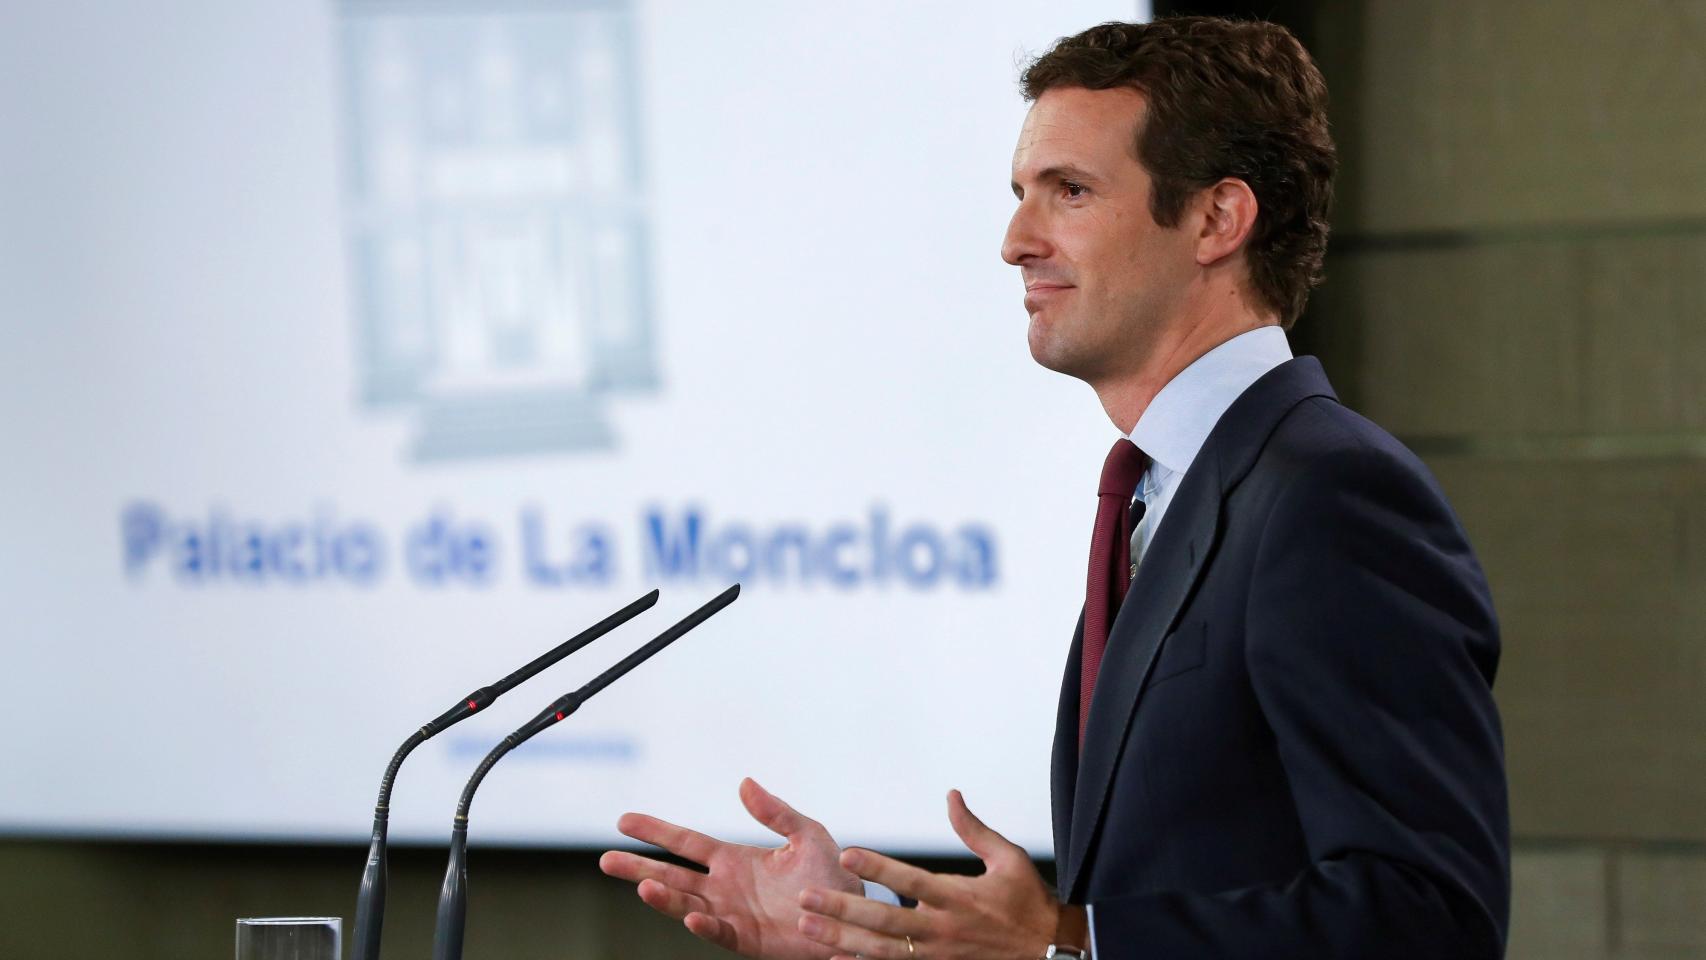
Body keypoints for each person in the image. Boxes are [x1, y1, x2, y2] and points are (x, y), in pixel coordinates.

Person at [599, 16, 1510, 959]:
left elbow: (1431, 920)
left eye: (1069, 191)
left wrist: (1065, 947)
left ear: (1216, 220)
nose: (1015, 241)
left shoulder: (1332, 496)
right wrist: (876, 937)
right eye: (1020, 194)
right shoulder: (1166, 492)